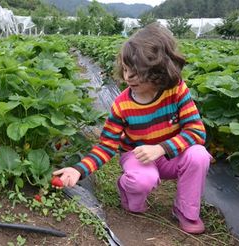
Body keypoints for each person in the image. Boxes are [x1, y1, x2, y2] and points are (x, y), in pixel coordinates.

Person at [53, 23, 212, 234]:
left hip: (170, 155)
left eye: (136, 72)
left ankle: (186, 211)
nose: (128, 77)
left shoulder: (176, 91)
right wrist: (79, 169)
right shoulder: (122, 105)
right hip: (137, 156)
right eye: (126, 69)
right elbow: (107, 146)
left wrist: (161, 148)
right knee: (141, 181)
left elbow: (196, 131)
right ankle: (129, 192)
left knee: (199, 155)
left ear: (159, 71)